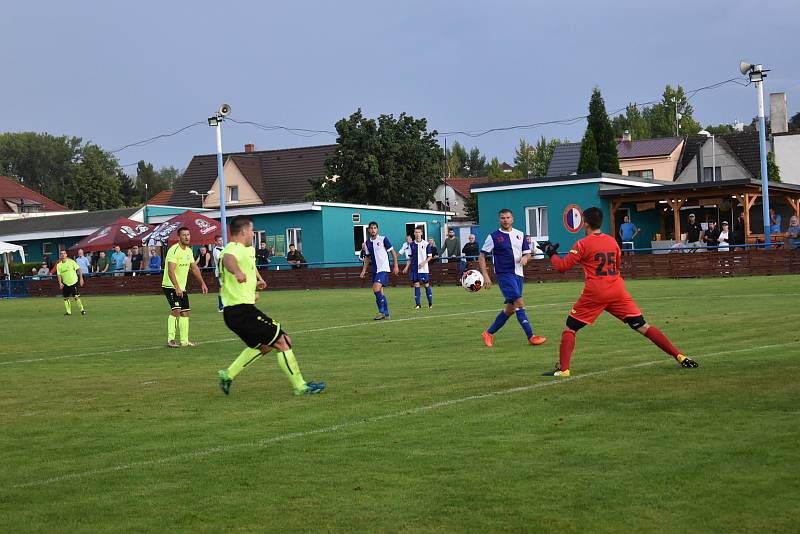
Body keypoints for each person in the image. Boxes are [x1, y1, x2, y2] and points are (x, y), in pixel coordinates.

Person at [542, 206, 698, 377]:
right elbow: (617, 265)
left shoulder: (582, 244)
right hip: (617, 290)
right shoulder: (612, 241)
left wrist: (551, 253)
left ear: (585, 224)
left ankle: (564, 369)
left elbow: (562, 266)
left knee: (570, 328)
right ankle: (679, 356)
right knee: (643, 326)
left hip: (596, 293)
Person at [217, 215, 326, 396]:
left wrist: (254, 285)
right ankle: (301, 387)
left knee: (264, 346)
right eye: (252, 230)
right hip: (241, 311)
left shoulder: (242, 249)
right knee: (283, 341)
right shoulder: (233, 248)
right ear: (244, 231)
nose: (253, 234)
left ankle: (228, 375)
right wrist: (236, 271)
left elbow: (241, 270)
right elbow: (229, 260)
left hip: (234, 312)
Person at [478, 209, 546, 347]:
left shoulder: (520, 235)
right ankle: (531, 337)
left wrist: (526, 258)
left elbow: (527, 254)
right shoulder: (494, 237)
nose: (505, 220)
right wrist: (486, 275)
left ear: (512, 219)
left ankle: (488, 333)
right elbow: (482, 256)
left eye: (508, 217)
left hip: (518, 275)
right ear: (499, 220)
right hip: (504, 275)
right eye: (502, 218)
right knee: (520, 303)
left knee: (510, 309)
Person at [162, 227, 209, 348]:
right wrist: (176, 287)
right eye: (184, 235)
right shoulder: (174, 250)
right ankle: (171, 340)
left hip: (181, 287)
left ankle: (184, 341)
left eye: (188, 234)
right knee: (176, 310)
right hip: (170, 285)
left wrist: (202, 283)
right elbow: (170, 271)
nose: (187, 237)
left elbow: (194, 268)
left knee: (186, 313)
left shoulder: (188, 251)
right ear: (179, 237)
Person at [359, 221, 399, 320]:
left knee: (375, 288)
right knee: (380, 292)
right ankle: (386, 313)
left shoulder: (383, 239)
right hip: (375, 270)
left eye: (375, 228)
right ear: (369, 230)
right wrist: (364, 270)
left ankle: (381, 312)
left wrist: (396, 265)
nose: (373, 230)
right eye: (371, 228)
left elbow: (393, 252)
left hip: (384, 268)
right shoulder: (367, 243)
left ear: (377, 229)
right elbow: (367, 258)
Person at [402, 226, 433, 309]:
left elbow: (430, 256)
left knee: (426, 285)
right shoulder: (411, 244)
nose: (418, 234)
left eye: (419, 232)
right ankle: (418, 304)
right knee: (416, 285)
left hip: (423, 269)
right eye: (416, 232)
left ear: (421, 233)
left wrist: (424, 262)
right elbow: (410, 257)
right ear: (414, 233)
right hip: (414, 268)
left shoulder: (426, 244)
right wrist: (407, 267)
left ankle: (430, 303)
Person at [55, 250, 86, 316]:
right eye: (61, 254)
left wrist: (81, 279)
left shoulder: (71, 262)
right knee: (65, 298)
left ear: (66, 255)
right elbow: (59, 275)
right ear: (60, 256)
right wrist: (60, 283)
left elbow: (79, 269)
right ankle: (68, 312)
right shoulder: (59, 265)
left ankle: (82, 310)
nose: (63, 255)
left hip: (73, 282)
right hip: (65, 283)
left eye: (64, 253)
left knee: (76, 297)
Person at [212, 235, 225, 312]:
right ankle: (221, 307)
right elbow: (221, 260)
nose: (221, 242)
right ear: (216, 242)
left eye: (221, 240)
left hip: (225, 272)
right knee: (222, 289)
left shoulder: (223, 248)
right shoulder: (216, 250)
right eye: (219, 240)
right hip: (220, 272)